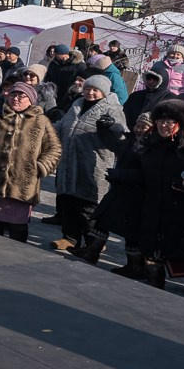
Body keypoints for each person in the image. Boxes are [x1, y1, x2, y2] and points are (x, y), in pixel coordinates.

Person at [102, 98, 184, 287]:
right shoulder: (149, 144)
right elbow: (141, 172)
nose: (163, 125)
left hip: (180, 211)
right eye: (160, 120)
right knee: (151, 253)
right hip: (151, 207)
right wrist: (120, 175)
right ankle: (152, 287)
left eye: (169, 122)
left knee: (182, 255)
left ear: (181, 124)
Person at [0, 81, 61, 241]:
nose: (16, 99)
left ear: (31, 99)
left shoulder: (40, 121)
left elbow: (54, 148)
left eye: (21, 96)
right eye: (13, 95)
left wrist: (39, 167)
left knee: (18, 228)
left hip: (21, 185)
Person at [51, 74, 127, 260]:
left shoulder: (112, 108)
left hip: (93, 163)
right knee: (67, 200)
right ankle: (70, 237)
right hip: (69, 160)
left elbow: (122, 133)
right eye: (87, 88)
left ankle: (94, 242)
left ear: (104, 91)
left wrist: (113, 126)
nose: (90, 93)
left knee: (87, 206)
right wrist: (47, 128)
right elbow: (63, 125)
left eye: (95, 90)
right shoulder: (77, 103)